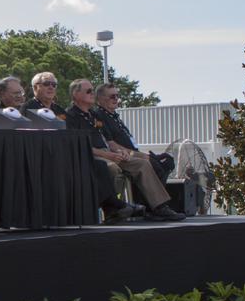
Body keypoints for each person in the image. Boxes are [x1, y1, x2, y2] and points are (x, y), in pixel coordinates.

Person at [65, 79, 182, 222]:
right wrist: (108, 154)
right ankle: (114, 210)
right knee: (112, 167)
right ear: (75, 94)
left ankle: (158, 207)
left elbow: (109, 141)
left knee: (143, 164)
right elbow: (78, 145)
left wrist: (121, 152)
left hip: (109, 153)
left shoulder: (94, 116)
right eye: (89, 91)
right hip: (91, 155)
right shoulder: (69, 116)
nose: (92, 94)